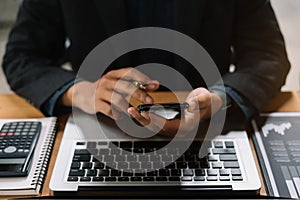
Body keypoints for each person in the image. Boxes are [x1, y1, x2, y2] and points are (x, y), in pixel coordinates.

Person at [2, 0, 290, 136]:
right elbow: (22, 56)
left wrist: (220, 98)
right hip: (99, 127)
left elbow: (267, 55)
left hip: (206, 130)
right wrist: (81, 92)